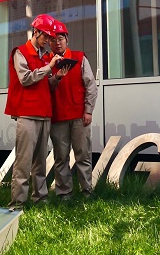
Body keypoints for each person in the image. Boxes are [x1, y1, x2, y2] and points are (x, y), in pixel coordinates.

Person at [5, 13, 64, 207]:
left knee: (40, 162)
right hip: (27, 113)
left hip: (44, 114)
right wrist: (49, 68)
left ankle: (40, 198)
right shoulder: (20, 52)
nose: (48, 40)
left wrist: (57, 77)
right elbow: (25, 79)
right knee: (23, 161)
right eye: (45, 35)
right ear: (35, 31)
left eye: (50, 37)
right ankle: (18, 202)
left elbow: (46, 85)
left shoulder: (45, 56)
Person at [47, 19, 98, 199]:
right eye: (53, 40)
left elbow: (91, 85)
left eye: (60, 39)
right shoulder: (47, 63)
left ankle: (87, 191)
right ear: (49, 43)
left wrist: (88, 110)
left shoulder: (79, 58)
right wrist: (56, 77)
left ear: (67, 39)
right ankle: (64, 194)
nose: (57, 43)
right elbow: (45, 88)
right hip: (57, 117)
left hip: (79, 116)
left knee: (83, 155)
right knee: (61, 157)